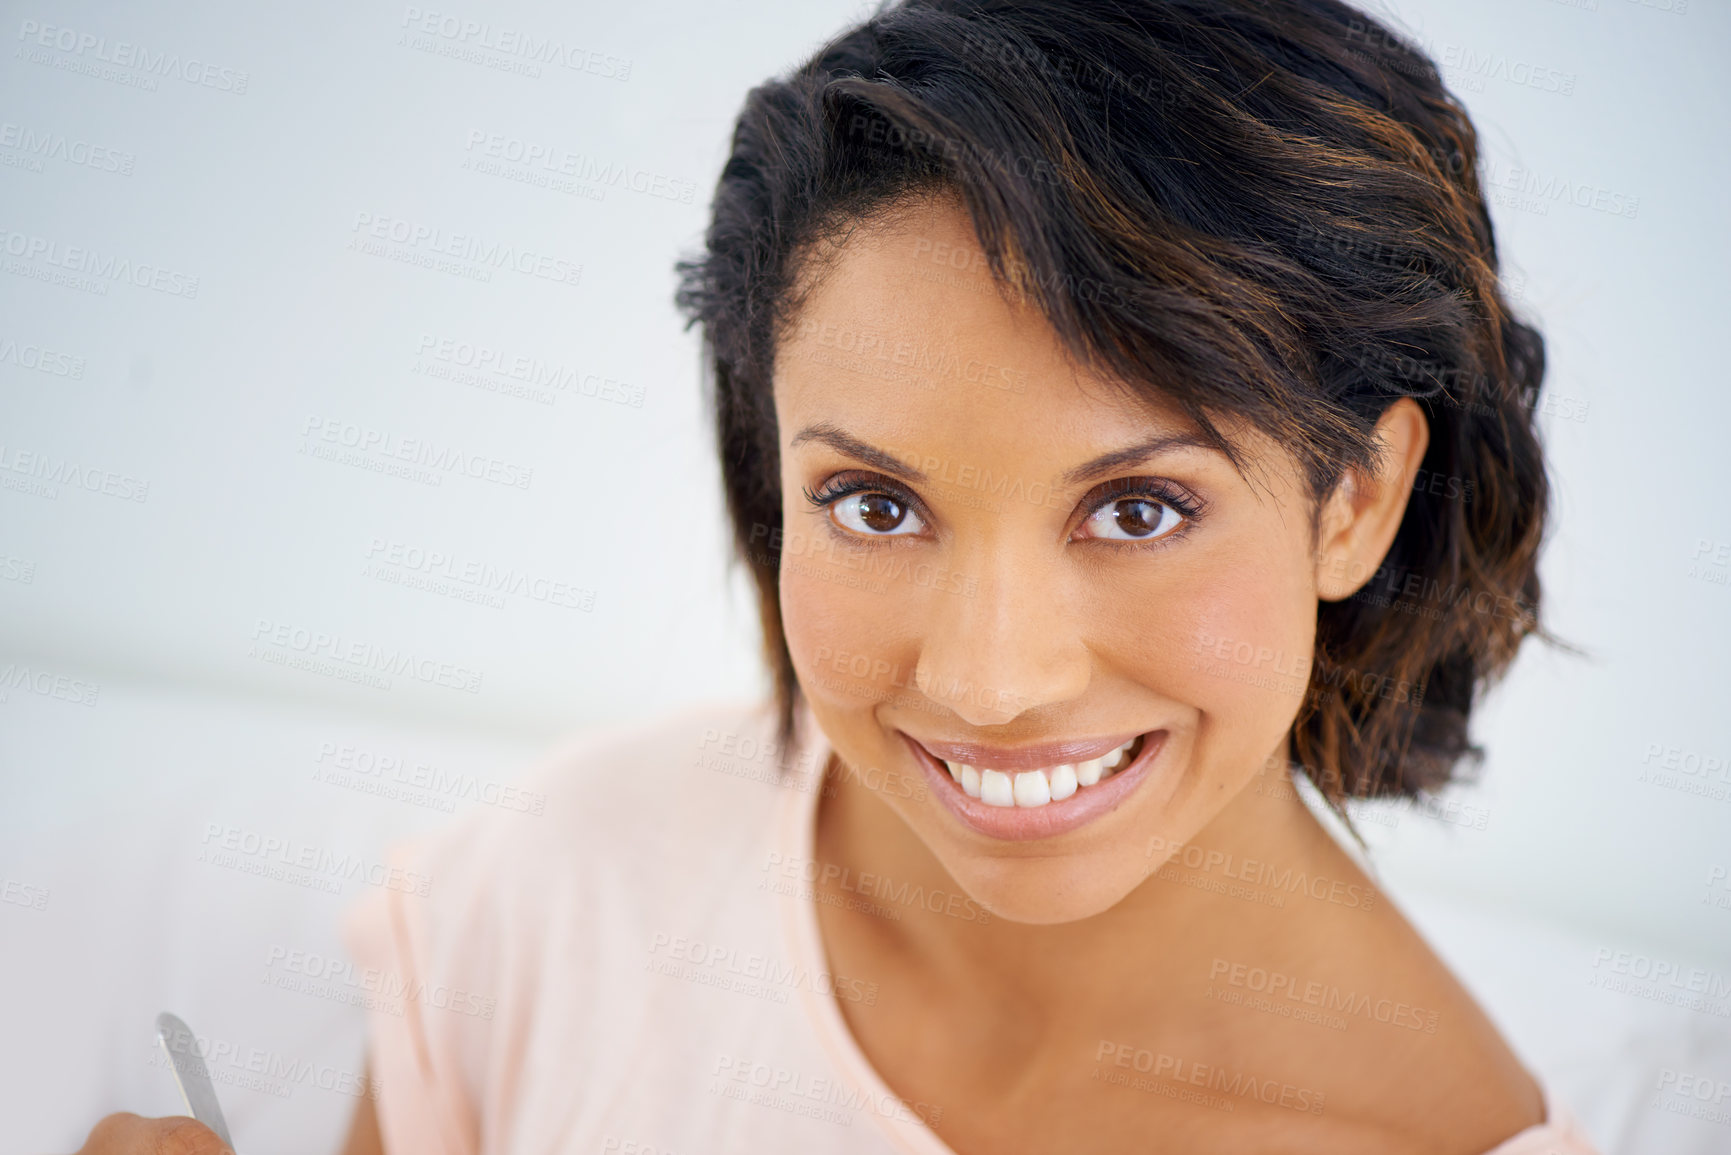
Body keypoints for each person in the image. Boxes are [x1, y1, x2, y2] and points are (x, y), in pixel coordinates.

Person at [74, 0, 1603, 1151]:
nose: (991, 680)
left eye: (1138, 510)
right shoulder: (565, 892)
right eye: (875, 504)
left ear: (1356, 496)